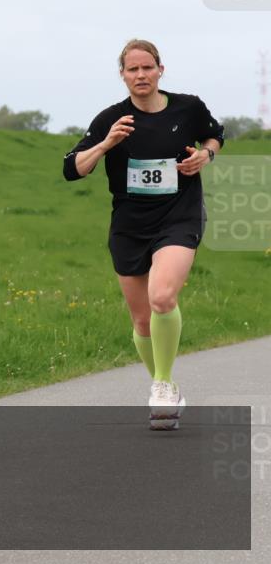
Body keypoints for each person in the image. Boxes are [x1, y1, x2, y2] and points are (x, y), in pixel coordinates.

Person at [63, 39, 224, 430]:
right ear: (122, 75)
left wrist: (207, 155)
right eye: (132, 70)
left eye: (147, 68)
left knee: (163, 297)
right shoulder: (111, 119)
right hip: (131, 224)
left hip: (179, 215)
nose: (141, 75)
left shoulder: (188, 107)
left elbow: (215, 134)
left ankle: (164, 386)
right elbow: (72, 169)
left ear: (160, 70)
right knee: (141, 322)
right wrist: (106, 144)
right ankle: (162, 383)